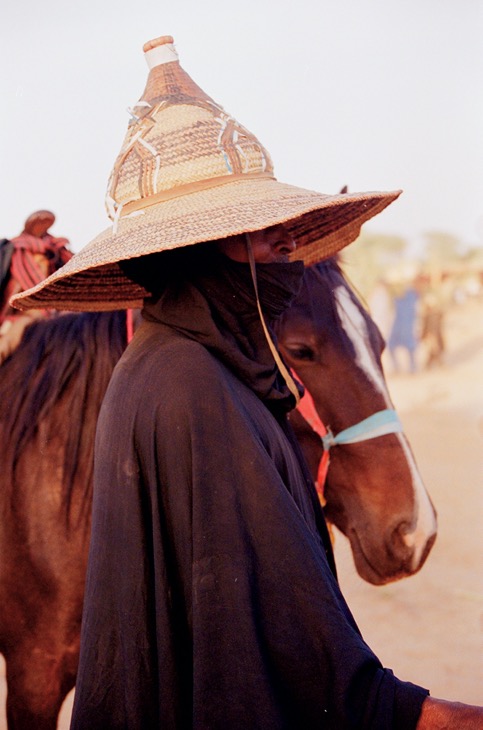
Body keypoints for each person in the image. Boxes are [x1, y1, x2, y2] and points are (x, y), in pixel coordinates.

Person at [12, 35, 483, 729]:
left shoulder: (193, 366)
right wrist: (426, 715)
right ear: (203, 246)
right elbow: (272, 651)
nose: (286, 241)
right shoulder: (189, 388)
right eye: (261, 229)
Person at [0, 209, 72, 363]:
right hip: (23, 313)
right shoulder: (17, 253)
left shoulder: (55, 253)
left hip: (50, 309)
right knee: (8, 341)